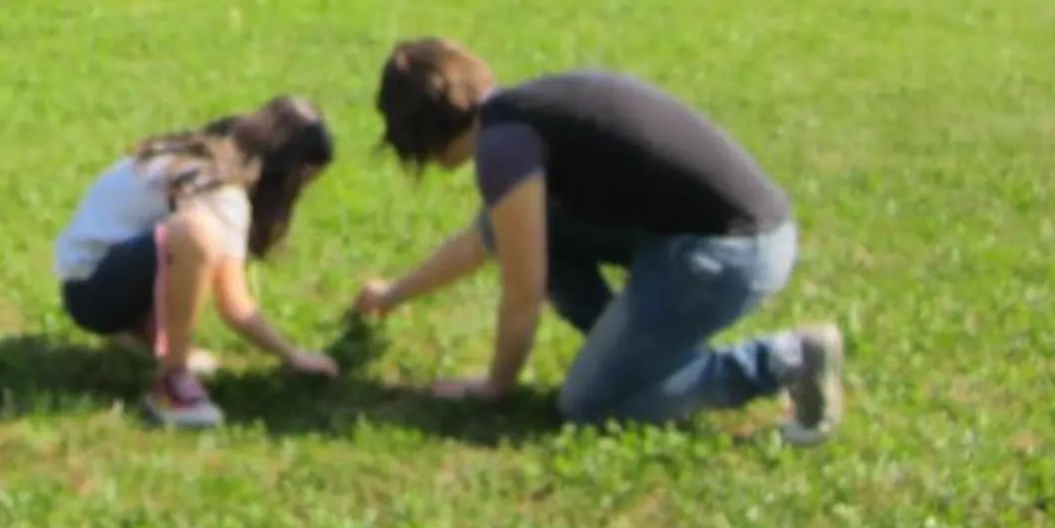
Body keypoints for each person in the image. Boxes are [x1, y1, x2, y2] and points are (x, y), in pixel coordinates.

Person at [349, 39, 844, 441]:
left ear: (424, 134)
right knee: (535, 233)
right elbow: (483, 240)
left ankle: (786, 360)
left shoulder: (502, 146)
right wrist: (392, 295)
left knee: (588, 404)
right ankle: (628, 352)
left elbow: (522, 296)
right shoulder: (519, 114)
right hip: (725, 234)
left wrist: (493, 387)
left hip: (729, 254)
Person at [55, 94, 343, 430]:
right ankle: (170, 383)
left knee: (194, 243)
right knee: (194, 235)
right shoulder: (222, 190)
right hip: (94, 294)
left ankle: (145, 337)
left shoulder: (197, 154)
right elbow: (234, 304)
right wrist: (292, 355)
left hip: (88, 281)